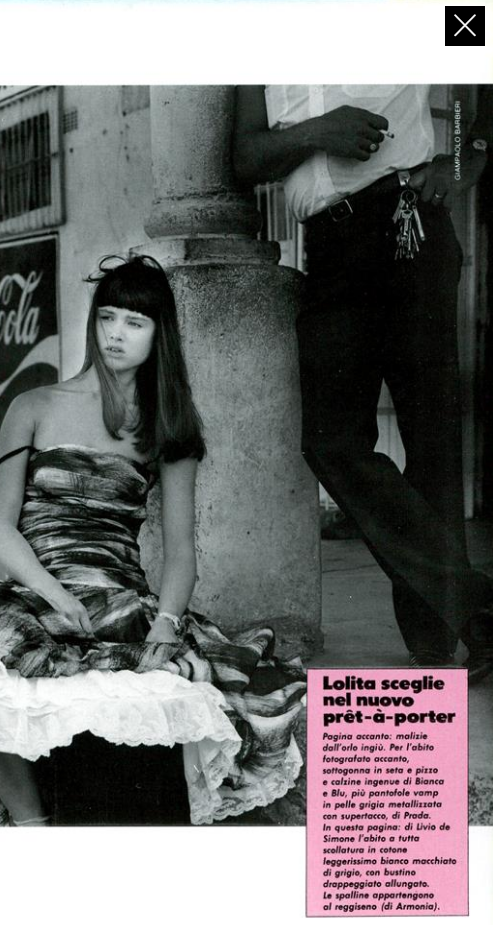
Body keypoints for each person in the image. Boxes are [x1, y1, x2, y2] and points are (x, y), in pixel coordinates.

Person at [0, 255, 307, 826]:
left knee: (165, 689)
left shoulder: (167, 425)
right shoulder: (33, 406)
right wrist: (52, 593)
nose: (116, 334)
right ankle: (32, 825)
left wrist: (166, 623)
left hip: (118, 595)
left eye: (134, 322)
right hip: (36, 589)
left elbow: (181, 554)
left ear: (158, 335)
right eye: (107, 318)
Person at [233, 85, 493, 681]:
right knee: (330, 441)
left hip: (408, 222)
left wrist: (466, 157)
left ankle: (443, 637)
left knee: (430, 440)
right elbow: (246, 158)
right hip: (328, 245)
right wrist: (315, 132)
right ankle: (476, 604)